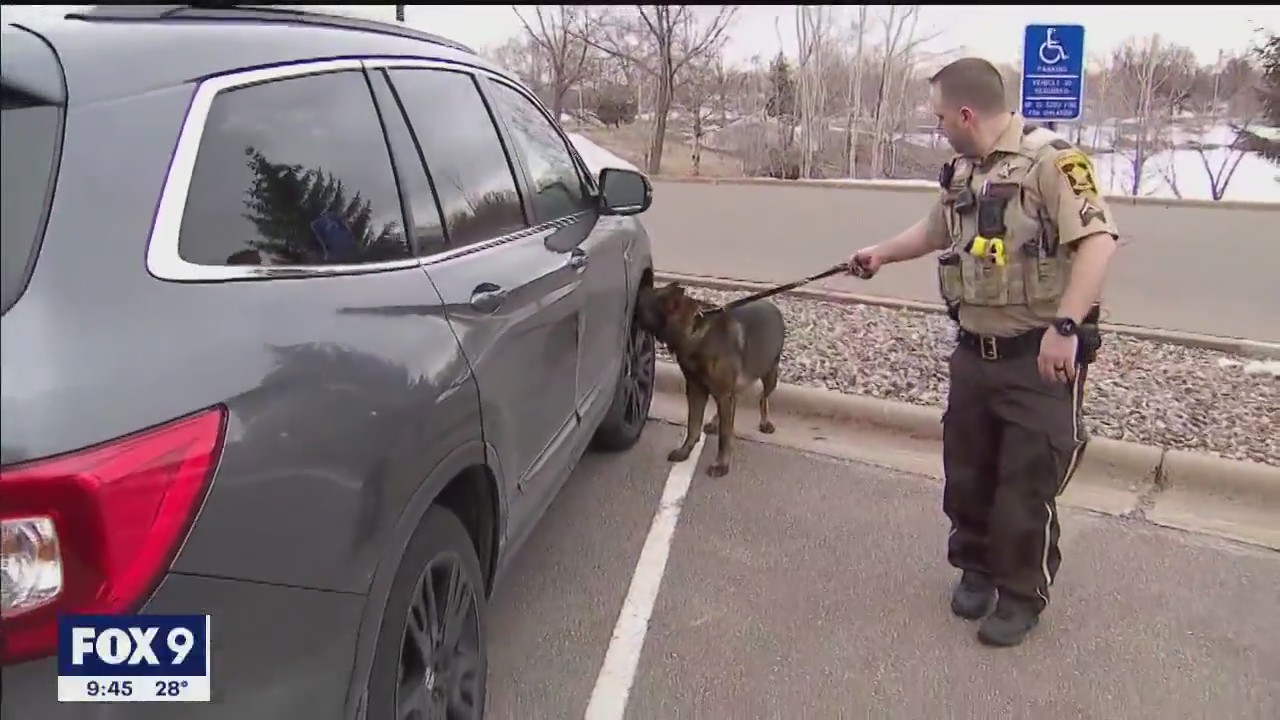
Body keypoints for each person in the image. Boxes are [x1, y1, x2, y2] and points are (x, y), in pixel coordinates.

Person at [847, 57, 1119, 647]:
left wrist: (1066, 326)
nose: (937, 125)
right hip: (974, 354)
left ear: (966, 114)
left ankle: (1021, 596)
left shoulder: (1054, 162)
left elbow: (1098, 243)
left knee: (1025, 486)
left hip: (1037, 360)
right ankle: (975, 570)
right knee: (968, 474)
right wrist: (880, 254)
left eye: (940, 116)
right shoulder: (963, 171)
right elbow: (936, 231)